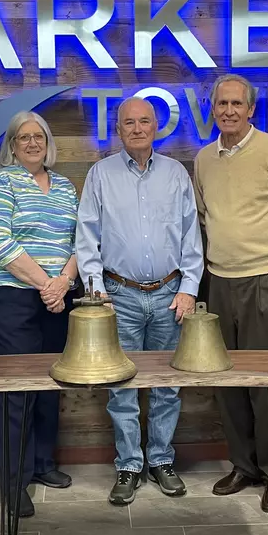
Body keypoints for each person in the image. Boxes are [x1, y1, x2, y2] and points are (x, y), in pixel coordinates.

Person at [193, 73, 268, 514]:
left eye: (236, 104)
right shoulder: (204, 158)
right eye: (221, 104)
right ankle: (245, 466)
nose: (227, 111)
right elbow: (205, 214)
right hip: (219, 280)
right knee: (226, 380)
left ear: (251, 109)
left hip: (266, 278)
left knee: (265, 383)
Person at [76, 97, 204, 505]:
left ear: (155, 127)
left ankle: (161, 460)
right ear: (118, 129)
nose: (136, 128)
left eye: (144, 121)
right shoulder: (100, 174)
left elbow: (190, 236)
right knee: (122, 387)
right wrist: (98, 294)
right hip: (119, 296)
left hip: (170, 295)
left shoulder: (175, 174)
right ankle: (129, 465)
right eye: (128, 122)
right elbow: (87, 237)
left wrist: (189, 288)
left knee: (168, 385)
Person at [0, 111, 80, 518]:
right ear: (13, 145)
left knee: (51, 383)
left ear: (48, 141)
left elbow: (82, 240)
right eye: (23, 137)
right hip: (10, 299)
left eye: (39, 136)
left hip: (57, 298)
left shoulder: (66, 186)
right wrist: (46, 284)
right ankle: (14, 481)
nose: (33, 143)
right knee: (15, 391)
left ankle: (42, 464)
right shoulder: (2, 181)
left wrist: (64, 283)